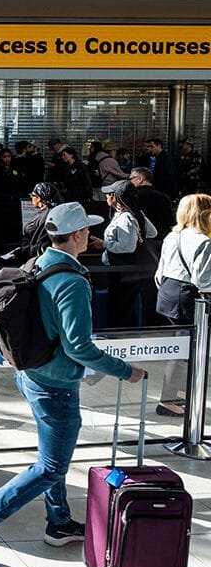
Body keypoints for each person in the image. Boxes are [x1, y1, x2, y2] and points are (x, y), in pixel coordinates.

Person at [0, 203, 146, 567]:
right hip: (56, 383)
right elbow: (79, 346)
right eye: (87, 231)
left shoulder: (37, 263)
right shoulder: (72, 282)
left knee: (51, 456)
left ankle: (58, 523)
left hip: (29, 372)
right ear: (75, 236)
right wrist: (124, 370)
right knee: (52, 466)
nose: (90, 236)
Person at [154, 193, 211, 417]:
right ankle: (168, 400)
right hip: (188, 297)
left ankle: (178, 395)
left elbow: (159, 273)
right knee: (185, 351)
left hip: (168, 292)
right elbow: (204, 281)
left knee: (179, 348)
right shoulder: (203, 241)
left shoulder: (173, 236)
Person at [92, 180, 158, 328]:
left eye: (109, 194)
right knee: (127, 307)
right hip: (132, 271)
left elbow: (127, 247)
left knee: (119, 309)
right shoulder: (136, 213)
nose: (107, 197)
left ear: (117, 197)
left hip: (122, 271)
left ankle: (121, 339)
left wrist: (104, 244)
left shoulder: (125, 218)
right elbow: (153, 232)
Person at [11, 182, 63, 263]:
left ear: (38, 198)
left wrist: (22, 252)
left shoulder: (48, 215)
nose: (31, 198)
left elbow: (44, 242)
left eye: (32, 195)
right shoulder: (47, 213)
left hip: (37, 260)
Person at [128, 167, 176, 241]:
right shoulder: (164, 197)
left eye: (131, 179)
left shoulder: (132, 197)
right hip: (161, 238)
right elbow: (170, 221)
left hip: (140, 240)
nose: (129, 182)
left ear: (139, 179)